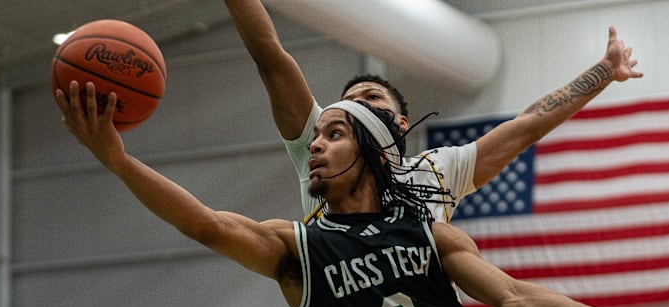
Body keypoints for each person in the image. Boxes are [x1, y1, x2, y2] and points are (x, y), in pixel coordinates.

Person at [56, 81, 640, 307]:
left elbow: (513, 297)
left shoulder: (430, 231)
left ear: (371, 152)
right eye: (315, 137)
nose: (314, 146)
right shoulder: (297, 247)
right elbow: (205, 223)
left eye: (333, 135)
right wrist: (117, 159)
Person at [222, 0, 642, 223]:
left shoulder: (437, 169)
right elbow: (272, 60)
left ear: (401, 124)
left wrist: (603, 72)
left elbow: (525, 127)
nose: (358, 111)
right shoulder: (317, 154)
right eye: (348, 107)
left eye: (370, 99)